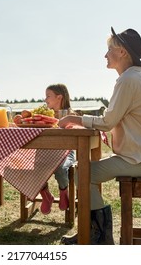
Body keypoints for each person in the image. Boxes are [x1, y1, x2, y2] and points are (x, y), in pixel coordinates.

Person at [58, 27, 141, 245]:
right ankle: (92, 231)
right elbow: (113, 117)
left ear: (122, 52)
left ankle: (97, 235)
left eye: (109, 49)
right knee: (86, 171)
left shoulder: (128, 80)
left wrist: (74, 119)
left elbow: (108, 122)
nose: (105, 55)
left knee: (84, 172)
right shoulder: (133, 78)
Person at [39, 84, 77, 215]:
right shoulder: (43, 116)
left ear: (59, 97)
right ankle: (46, 196)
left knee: (60, 168)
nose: (45, 99)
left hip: (67, 151)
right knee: (35, 166)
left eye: (48, 96)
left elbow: (78, 132)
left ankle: (63, 192)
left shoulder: (71, 115)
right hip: (47, 151)